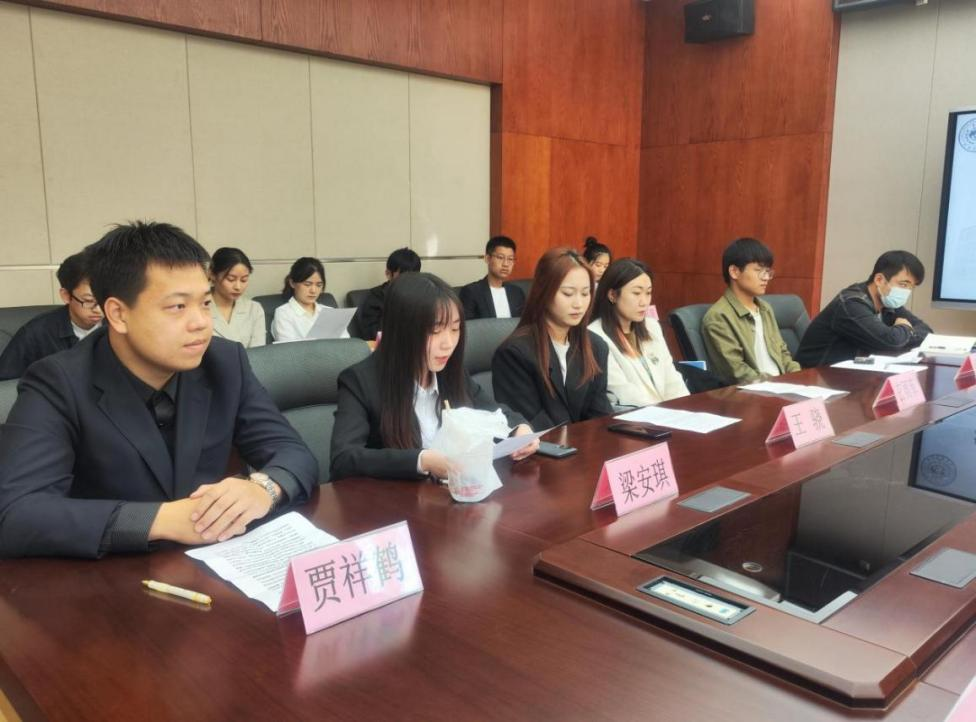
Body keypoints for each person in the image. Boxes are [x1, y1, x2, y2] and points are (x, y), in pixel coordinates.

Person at [0, 221, 317, 558]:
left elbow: (292, 451)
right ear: (118, 314)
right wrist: (161, 520)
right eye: (178, 306)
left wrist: (264, 488)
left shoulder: (224, 362)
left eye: (205, 303)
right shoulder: (58, 382)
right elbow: (17, 513)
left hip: (215, 562)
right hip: (109, 573)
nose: (201, 323)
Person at [330, 272, 538, 481]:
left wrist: (519, 429)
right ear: (402, 330)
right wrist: (421, 461)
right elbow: (344, 459)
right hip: (396, 497)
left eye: (455, 329)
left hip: (456, 494)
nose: (448, 344)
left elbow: (496, 413)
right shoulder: (360, 381)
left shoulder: (450, 372)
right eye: (435, 330)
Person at [491, 247, 613, 430]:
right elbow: (532, 424)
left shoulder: (596, 346)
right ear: (544, 292)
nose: (579, 304)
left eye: (585, 293)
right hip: (543, 445)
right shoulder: (514, 353)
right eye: (568, 293)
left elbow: (599, 415)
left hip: (588, 444)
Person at [795, 250, 933, 367]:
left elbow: (927, 333)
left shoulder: (888, 303)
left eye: (911, 287)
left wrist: (901, 334)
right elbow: (889, 342)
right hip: (815, 377)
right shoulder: (851, 303)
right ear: (879, 280)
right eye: (903, 284)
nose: (907, 291)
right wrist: (906, 328)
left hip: (851, 375)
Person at [589, 258, 688, 408]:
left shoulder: (652, 326)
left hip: (668, 413)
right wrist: (665, 412)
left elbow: (671, 379)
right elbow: (623, 392)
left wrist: (686, 408)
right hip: (637, 416)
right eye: (636, 293)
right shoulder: (595, 335)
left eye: (648, 293)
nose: (644, 302)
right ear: (612, 295)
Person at [701, 237, 801, 385]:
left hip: (781, 385)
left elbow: (783, 353)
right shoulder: (718, 317)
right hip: (755, 391)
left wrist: (799, 378)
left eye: (768, 271)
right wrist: (777, 384)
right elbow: (737, 372)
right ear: (734, 272)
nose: (766, 278)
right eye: (759, 270)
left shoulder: (765, 309)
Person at [0, 252, 103, 380]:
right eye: (89, 301)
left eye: (104, 299)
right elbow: (5, 384)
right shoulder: (35, 334)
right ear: (66, 296)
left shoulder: (120, 326)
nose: (99, 310)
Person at [348, 247, 421, 341]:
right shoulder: (376, 297)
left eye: (413, 275)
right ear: (388, 273)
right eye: (403, 275)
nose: (409, 280)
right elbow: (373, 334)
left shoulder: (422, 294)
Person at [271, 257, 345, 342]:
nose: (313, 290)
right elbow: (288, 348)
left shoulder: (330, 312)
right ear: (292, 283)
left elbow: (347, 344)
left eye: (319, 285)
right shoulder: (284, 313)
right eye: (307, 284)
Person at [209, 247, 265, 348]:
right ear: (212, 275)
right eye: (231, 279)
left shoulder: (254, 309)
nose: (238, 287)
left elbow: (259, 352)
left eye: (244, 280)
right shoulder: (197, 307)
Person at [459, 236, 526, 320]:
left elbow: (524, 323)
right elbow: (468, 326)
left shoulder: (517, 293)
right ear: (487, 259)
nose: (505, 264)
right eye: (500, 257)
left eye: (510, 259)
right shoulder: (471, 292)